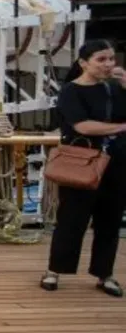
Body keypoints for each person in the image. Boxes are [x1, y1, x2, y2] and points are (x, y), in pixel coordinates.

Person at [41, 39, 126, 297]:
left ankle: (104, 274)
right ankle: (55, 270)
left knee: (110, 219)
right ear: (83, 63)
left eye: (112, 58)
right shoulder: (71, 91)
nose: (108, 64)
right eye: (101, 59)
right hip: (81, 160)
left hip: (117, 161)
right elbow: (82, 126)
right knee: (72, 217)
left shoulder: (116, 88)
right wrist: (122, 127)